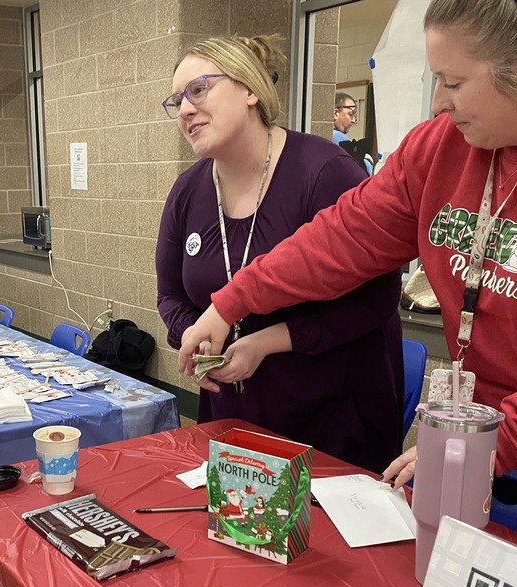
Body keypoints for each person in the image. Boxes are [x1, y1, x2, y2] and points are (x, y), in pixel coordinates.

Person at [179, 0, 517, 503]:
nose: (438, 102)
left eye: (453, 82)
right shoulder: (441, 146)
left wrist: (497, 443)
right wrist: (232, 300)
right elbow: (343, 237)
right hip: (473, 429)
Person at [157, 35, 404, 473]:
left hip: (331, 418)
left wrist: (266, 343)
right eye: (176, 101)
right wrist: (196, 341)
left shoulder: (324, 173)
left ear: (251, 89)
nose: (185, 110)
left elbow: (375, 299)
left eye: (198, 90)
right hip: (235, 415)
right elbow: (171, 297)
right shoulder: (188, 192)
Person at [333, 92, 375, 175]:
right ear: (335, 113)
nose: (353, 120)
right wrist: (368, 160)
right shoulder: (339, 139)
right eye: (350, 114)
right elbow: (361, 170)